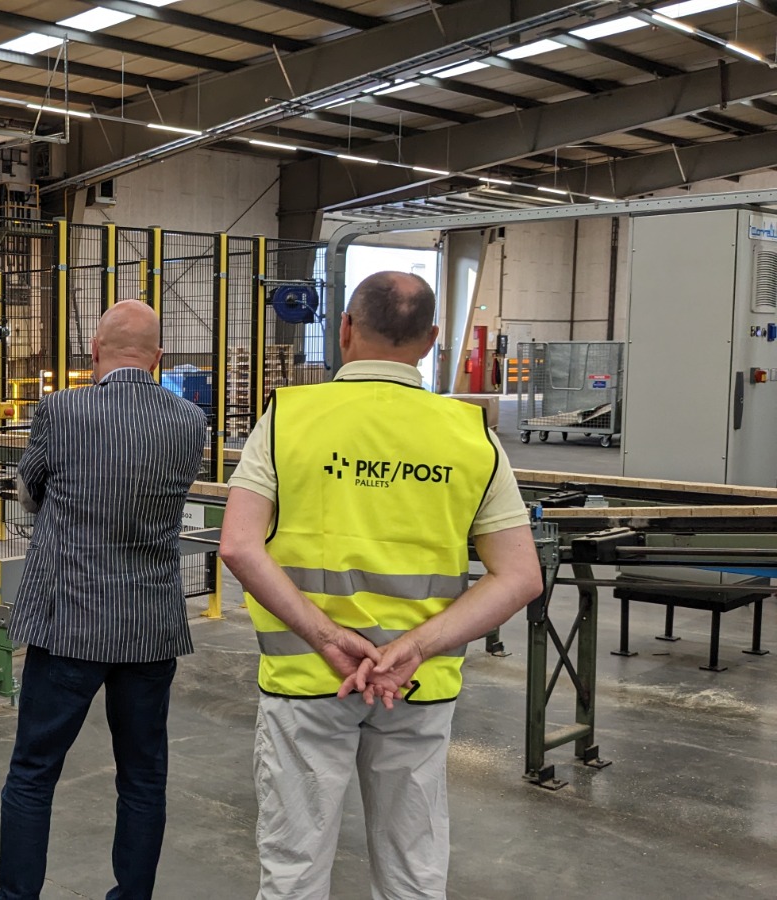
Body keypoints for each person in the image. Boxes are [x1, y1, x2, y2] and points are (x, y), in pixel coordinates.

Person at [217, 271, 545, 900]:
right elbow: (520, 576)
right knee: (413, 868)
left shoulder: (289, 418)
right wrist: (415, 647)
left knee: (294, 868)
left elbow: (238, 545)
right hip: (415, 686)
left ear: (344, 329)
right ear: (431, 339)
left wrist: (326, 637)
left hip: (309, 679)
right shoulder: (470, 434)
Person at [0, 300, 208, 900]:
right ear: (158, 357)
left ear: (93, 351)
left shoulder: (61, 409)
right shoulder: (190, 420)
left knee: (33, 773)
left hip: (69, 622)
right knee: (143, 777)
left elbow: (30, 489)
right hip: (149, 627)